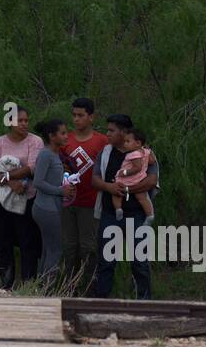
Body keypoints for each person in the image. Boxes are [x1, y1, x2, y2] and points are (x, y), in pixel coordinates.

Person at [91, 114, 159, 299]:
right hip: (110, 214)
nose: (107, 134)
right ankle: (101, 302)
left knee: (139, 262)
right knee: (106, 261)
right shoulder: (105, 153)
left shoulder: (144, 154)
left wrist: (128, 189)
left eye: (111, 130)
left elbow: (151, 181)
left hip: (137, 215)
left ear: (124, 132)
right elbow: (95, 180)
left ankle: (144, 302)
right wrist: (110, 187)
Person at [0, 107, 43, 289]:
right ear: (10, 122)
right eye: (20, 121)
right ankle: (6, 283)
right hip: (1, 196)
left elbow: (32, 167)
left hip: (27, 196)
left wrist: (8, 176)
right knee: (3, 240)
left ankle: (28, 285)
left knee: (28, 241)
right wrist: (8, 182)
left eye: (26, 120)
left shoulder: (35, 141)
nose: (24, 124)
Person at [58, 97, 108, 295]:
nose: (76, 119)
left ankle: (89, 290)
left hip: (91, 203)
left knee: (88, 248)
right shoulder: (66, 140)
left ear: (91, 117)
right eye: (74, 115)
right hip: (68, 202)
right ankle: (69, 289)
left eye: (81, 115)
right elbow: (58, 166)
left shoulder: (102, 141)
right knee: (69, 247)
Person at [29, 118, 69, 286]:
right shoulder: (46, 154)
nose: (66, 136)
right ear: (52, 136)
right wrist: (61, 191)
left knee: (48, 249)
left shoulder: (54, 154)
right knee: (55, 250)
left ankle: (39, 288)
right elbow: (38, 182)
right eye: (63, 133)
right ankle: (47, 289)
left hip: (51, 206)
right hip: (46, 208)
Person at [112, 128, 156, 221]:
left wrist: (124, 173)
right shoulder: (145, 151)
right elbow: (152, 161)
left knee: (116, 192)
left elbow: (137, 168)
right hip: (140, 179)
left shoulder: (133, 154)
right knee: (142, 198)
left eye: (127, 141)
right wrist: (149, 153)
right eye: (125, 141)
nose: (125, 144)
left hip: (129, 178)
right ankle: (149, 215)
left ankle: (118, 209)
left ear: (138, 143)